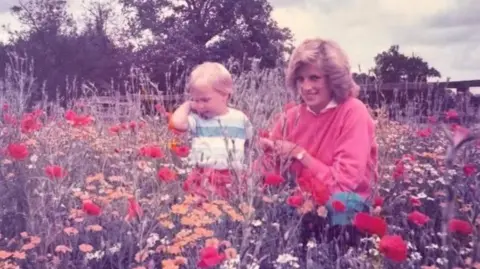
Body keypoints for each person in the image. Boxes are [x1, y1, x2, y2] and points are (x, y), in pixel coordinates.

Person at [257, 38, 378, 252]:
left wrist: (299, 154)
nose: (306, 87)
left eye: (314, 78)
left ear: (333, 79)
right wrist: (264, 155)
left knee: (340, 206)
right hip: (301, 202)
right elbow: (267, 173)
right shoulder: (290, 117)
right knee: (264, 211)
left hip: (343, 203)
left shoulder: (353, 111)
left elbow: (344, 184)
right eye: (300, 79)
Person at [169, 61, 253, 199]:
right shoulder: (197, 120)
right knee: (201, 214)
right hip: (202, 176)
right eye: (196, 100)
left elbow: (250, 144)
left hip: (231, 178)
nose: (200, 106)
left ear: (225, 95)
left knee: (229, 213)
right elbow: (176, 123)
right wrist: (188, 105)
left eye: (205, 100)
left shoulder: (240, 119)